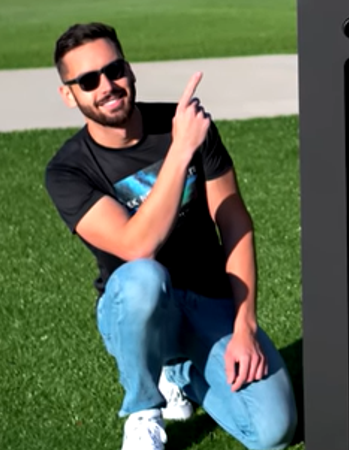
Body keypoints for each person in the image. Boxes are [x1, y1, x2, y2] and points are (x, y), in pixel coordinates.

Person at [43, 23, 297, 450]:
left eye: (114, 70)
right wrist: (180, 150)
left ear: (129, 70)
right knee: (144, 276)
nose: (107, 86)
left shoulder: (186, 125)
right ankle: (144, 409)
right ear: (69, 95)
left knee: (273, 431)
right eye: (88, 80)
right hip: (139, 308)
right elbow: (136, 246)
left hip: (208, 298)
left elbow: (234, 220)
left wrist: (245, 326)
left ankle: (180, 372)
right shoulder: (68, 170)